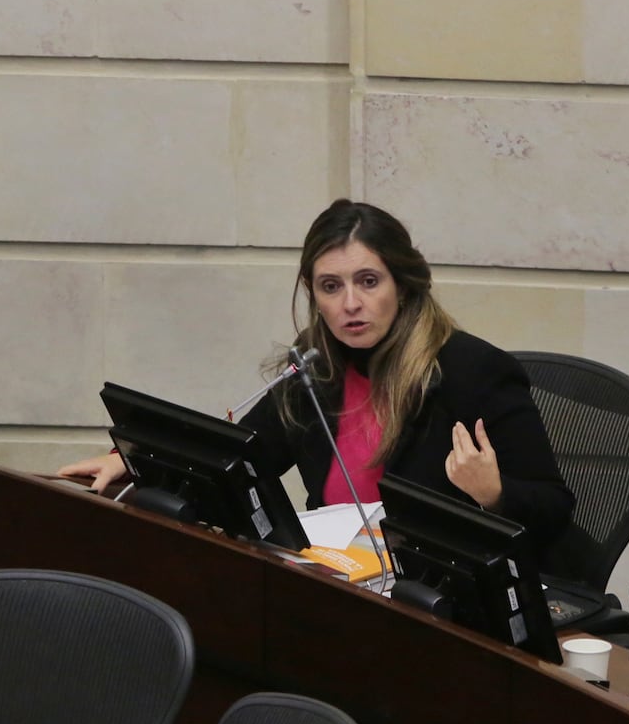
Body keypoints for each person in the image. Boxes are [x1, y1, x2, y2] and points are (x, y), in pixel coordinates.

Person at [60, 199, 574, 555]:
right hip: (341, 584)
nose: (350, 304)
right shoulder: (317, 370)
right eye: (331, 286)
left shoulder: (472, 371)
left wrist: (495, 494)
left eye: (368, 282)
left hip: (437, 603)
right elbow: (238, 458)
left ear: (405, 284)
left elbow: (554, 509)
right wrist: (133, 460)